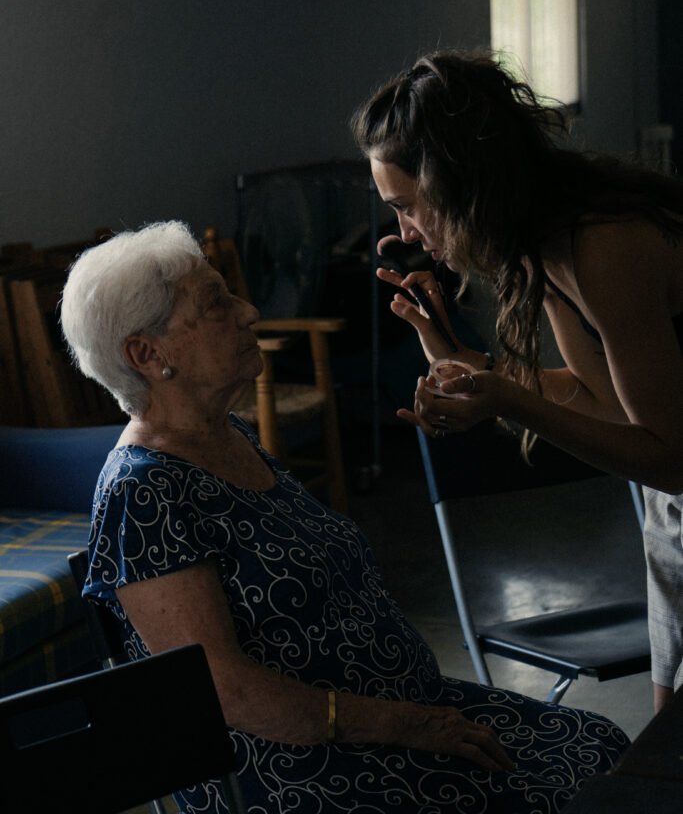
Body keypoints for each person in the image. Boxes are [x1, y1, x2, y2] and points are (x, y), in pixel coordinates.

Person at [60, 220, 628, 814]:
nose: (249, 312)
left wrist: (415, 714)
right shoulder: (143, 491)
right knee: (578, 792)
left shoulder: (229, 436)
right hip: (303, 768)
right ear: (147, 354)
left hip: (401, 719)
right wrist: (405, 723)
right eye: (216, 303)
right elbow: (225, 692)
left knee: (600, 748)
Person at [352, 48, 683, 717]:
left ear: (457, 181)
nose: (403, 233)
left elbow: (671, 459)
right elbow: (600, 398)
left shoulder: (603, 245)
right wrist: (472, 365)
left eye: (407, 206)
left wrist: (511, 402)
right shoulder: (547, 242)